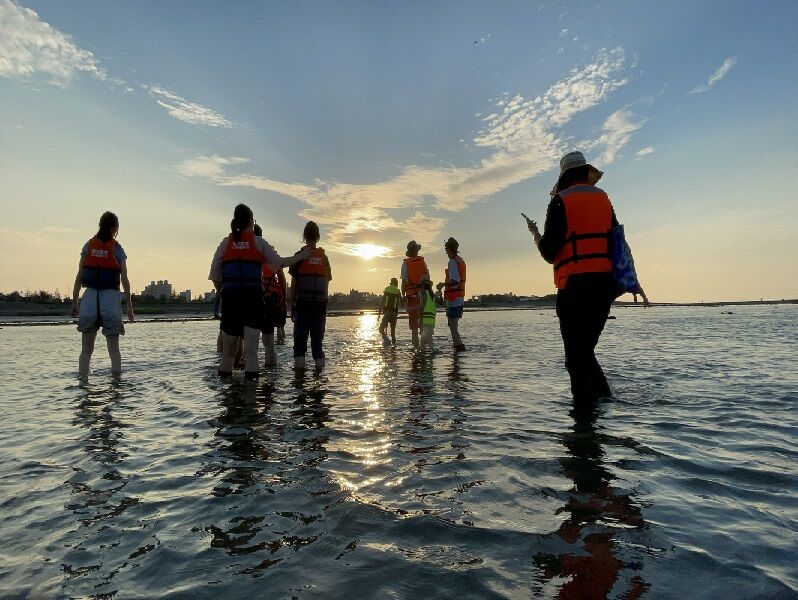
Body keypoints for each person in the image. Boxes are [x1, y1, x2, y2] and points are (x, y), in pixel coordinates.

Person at [525, 151, 650, 404]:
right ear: (585, 173)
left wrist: (536, 236)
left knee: (576, 356)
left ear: (564, 177)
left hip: (574, 287)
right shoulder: (604, 198)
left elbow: (550, 252)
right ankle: (604, 403)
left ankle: (584, 420)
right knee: (584, 352)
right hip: (604, 288)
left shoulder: (560, 201)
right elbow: (617, 242)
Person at [209, 204, 308, 379]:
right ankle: (250, 401)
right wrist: (300, 257)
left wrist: (224, 294)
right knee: (251, 353)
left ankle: (227, 398)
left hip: (231, 303)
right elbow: (281, 262)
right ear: (250, 222)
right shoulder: (259, 243)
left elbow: (215, 275)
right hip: (252, 302)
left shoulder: (225, 244)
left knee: (228, 355)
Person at [70, 211, 134, 378]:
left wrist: (75, 302)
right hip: (110, 301)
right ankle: (116, 385)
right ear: (114, 228)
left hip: (89, 299)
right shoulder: (117, 249)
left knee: (86, 351)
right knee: (114, 350)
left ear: (100, 225)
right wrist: (129, 307)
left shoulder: (88, 246)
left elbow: (79, 277)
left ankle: (83, 384)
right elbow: (125, 280)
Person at [288, 221, 332, 370]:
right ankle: (319, 383)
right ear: (318, 237)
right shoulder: (324, 259)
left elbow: (293, 285)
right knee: (317, 347)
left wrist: (290, 307)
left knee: (299, 347)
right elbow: (326, 284)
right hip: (319, 307)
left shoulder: (299, 256)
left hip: (302, 305)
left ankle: (299, 384)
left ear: (304, 236)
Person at [254, 224, 287, 366]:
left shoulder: (245, 249)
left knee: (248, 343)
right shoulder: (270, 252)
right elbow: (282, 279)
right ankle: (271, 375)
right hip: (269, 299)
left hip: (251, 299)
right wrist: (284, 299)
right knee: (269, 344)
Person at [437, 237, 466, 351]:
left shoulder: (453, 262)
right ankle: (457, 349)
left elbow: (455, 280)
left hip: (453, 298)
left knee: (453, 327)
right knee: (454, 326)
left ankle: (459, 348)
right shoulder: (460, 260)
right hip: (459, 298)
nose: (446, 252)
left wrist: (442, 285)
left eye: (446, 249)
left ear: (449, 249)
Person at [401, 240, 429, 347]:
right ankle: (424, 347)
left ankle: (415, 348)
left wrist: (403, 295)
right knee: (423, 322)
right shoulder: (423, 262)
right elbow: (427, 277)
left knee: (414, 326)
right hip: (423, 295)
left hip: (412, 296)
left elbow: (404, 281)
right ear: (416, 251)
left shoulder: (405, 264)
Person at [377, 277, 402, 345]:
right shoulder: (398, 291)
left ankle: (386, 340)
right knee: (393, 333)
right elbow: (402, 302)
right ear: (396, 284)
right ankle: (394, 349)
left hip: (387, 312)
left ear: (391, 283)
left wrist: (379, 312)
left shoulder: (387, 289)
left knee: (381, 329)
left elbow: (383, 301)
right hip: (394, 313)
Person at [418, 275, 437, 351]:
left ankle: (423, 356)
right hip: (432, 321)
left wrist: (410, 309)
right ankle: (432, 359)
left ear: (422, 285)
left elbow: (421, 306)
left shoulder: (422, 293)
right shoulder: (432, 294)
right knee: (429, 340)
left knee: (422, 342)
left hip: (424, 320)